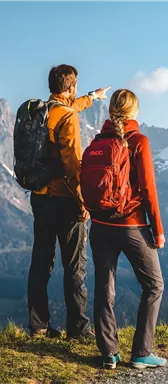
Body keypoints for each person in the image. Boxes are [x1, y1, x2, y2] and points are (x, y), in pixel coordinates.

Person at [28, 64, 110, 340]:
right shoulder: (68, 118)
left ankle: (38, 325)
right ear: (70, 87)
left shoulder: (42, 111)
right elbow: (73, 164)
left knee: (41, 260)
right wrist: (83, 202)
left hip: (39, 196)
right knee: (75, 266)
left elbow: (72, 105)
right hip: (65, 199)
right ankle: (78, 327)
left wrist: (93, 96)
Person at [89, 89, 166, 369]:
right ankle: (142, 352)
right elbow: (148, 190)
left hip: (98, 226)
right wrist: (157, 230)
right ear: (135, 112)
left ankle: (109, 353)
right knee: (154, 285)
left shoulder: (98, 141)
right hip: (132, 226)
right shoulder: (139, 141)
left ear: (111, 110)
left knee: (103, 289)